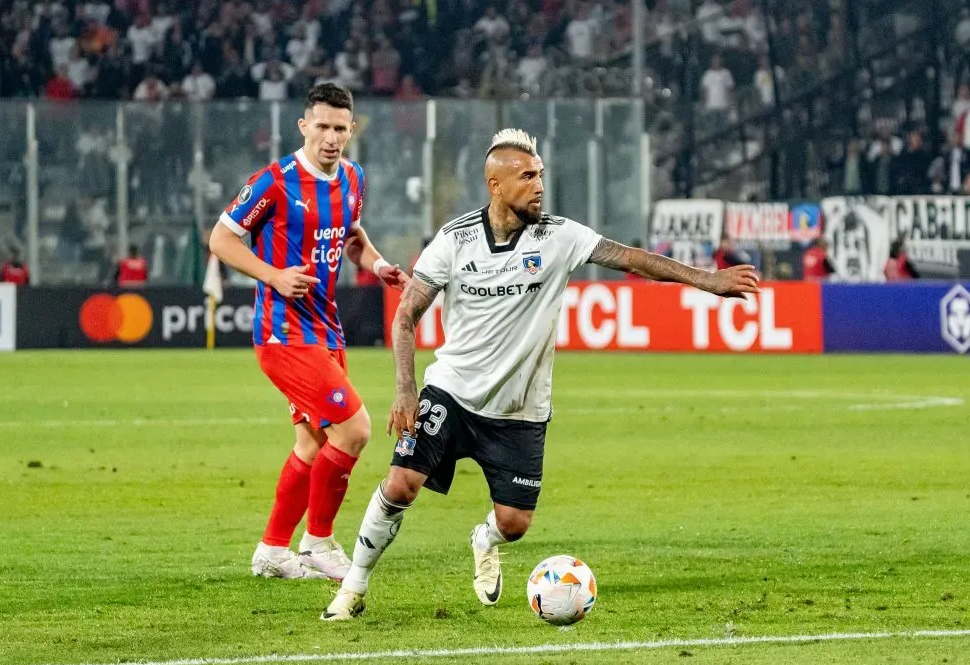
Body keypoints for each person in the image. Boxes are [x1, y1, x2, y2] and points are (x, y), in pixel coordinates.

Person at [321, 129, 759, 620]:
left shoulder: (559, 236)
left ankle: (483, 539)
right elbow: (405, 316)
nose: (539, 186)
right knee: (401, 483)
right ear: (495, 183)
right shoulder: (455, 239)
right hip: (451, 390)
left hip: (520, 409)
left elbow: (635, 260)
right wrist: (406, 387)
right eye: (527, 176)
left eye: (541, 176)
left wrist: (708, 280)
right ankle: (351, 590)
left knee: (515, 523)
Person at [208, 84, 409, 582]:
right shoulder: (275, 181)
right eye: (322, 126)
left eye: (340, 128)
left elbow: (351, 237)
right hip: (284, 334)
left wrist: (377, 264)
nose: (331, 137)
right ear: (304, 126)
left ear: (351, 131)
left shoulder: (354, 178)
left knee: (312, 444)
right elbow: (221, 238)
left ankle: (272, 551)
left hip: (327, 332)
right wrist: (272, 275)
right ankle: (318, 540)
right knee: (356, 428)